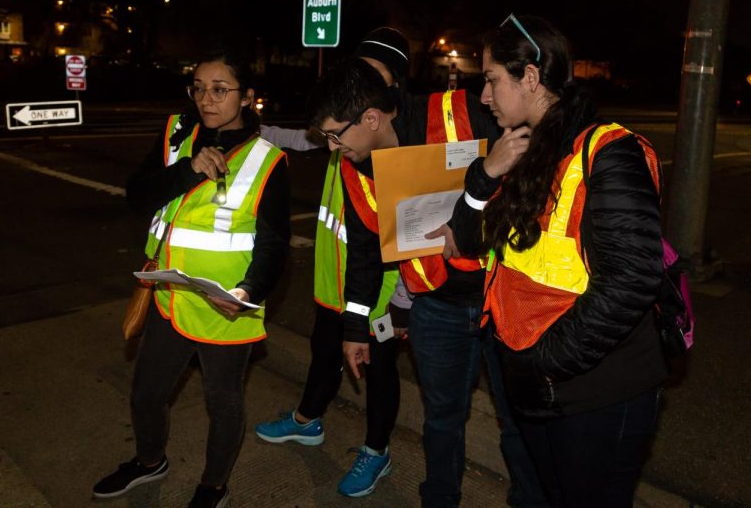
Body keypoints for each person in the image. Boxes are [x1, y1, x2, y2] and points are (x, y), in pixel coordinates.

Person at [309, 52, 547, 507]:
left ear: (373, 117)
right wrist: (356, 329)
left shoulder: (463, 112)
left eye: (335, 135)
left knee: (519, 421)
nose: (331, 147)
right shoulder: (352, 171)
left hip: (505, 298)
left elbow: (539, 149)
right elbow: (362, 255)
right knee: (441, 418)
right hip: (435, 306)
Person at [452, 13, 667, 507]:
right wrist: (484, 176)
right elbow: (467, 242)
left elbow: (633, 280)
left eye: (492, 80)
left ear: (530, 77)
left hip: (596, 392)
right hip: (539, 385)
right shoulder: (520, 148)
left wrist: (543, 363)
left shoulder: (608, 152)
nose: (484, 97)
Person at [93, 49, 290, 508]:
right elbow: (137, 196)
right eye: (198, 88)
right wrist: (187, 170)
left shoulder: (268, 160)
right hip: (171, 295)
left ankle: (213, 486)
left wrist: (248, 293)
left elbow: (275, 243)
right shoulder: (177, 138)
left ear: (248, 98)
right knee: (146, 393)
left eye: (220, 89)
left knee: (222, 402)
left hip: (226, 306)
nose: (207, 98)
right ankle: (149, 462)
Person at [254, 27, 412, 499]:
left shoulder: (397, 147)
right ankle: (307, 419)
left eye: (374, 75)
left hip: (381, 290)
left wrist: (402, 302)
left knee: (380, 372)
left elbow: (415, 233)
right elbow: (297, 136)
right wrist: (245, 130)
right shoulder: (339, 134)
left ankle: (376, 449)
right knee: (325, 353)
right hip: (335, 278)